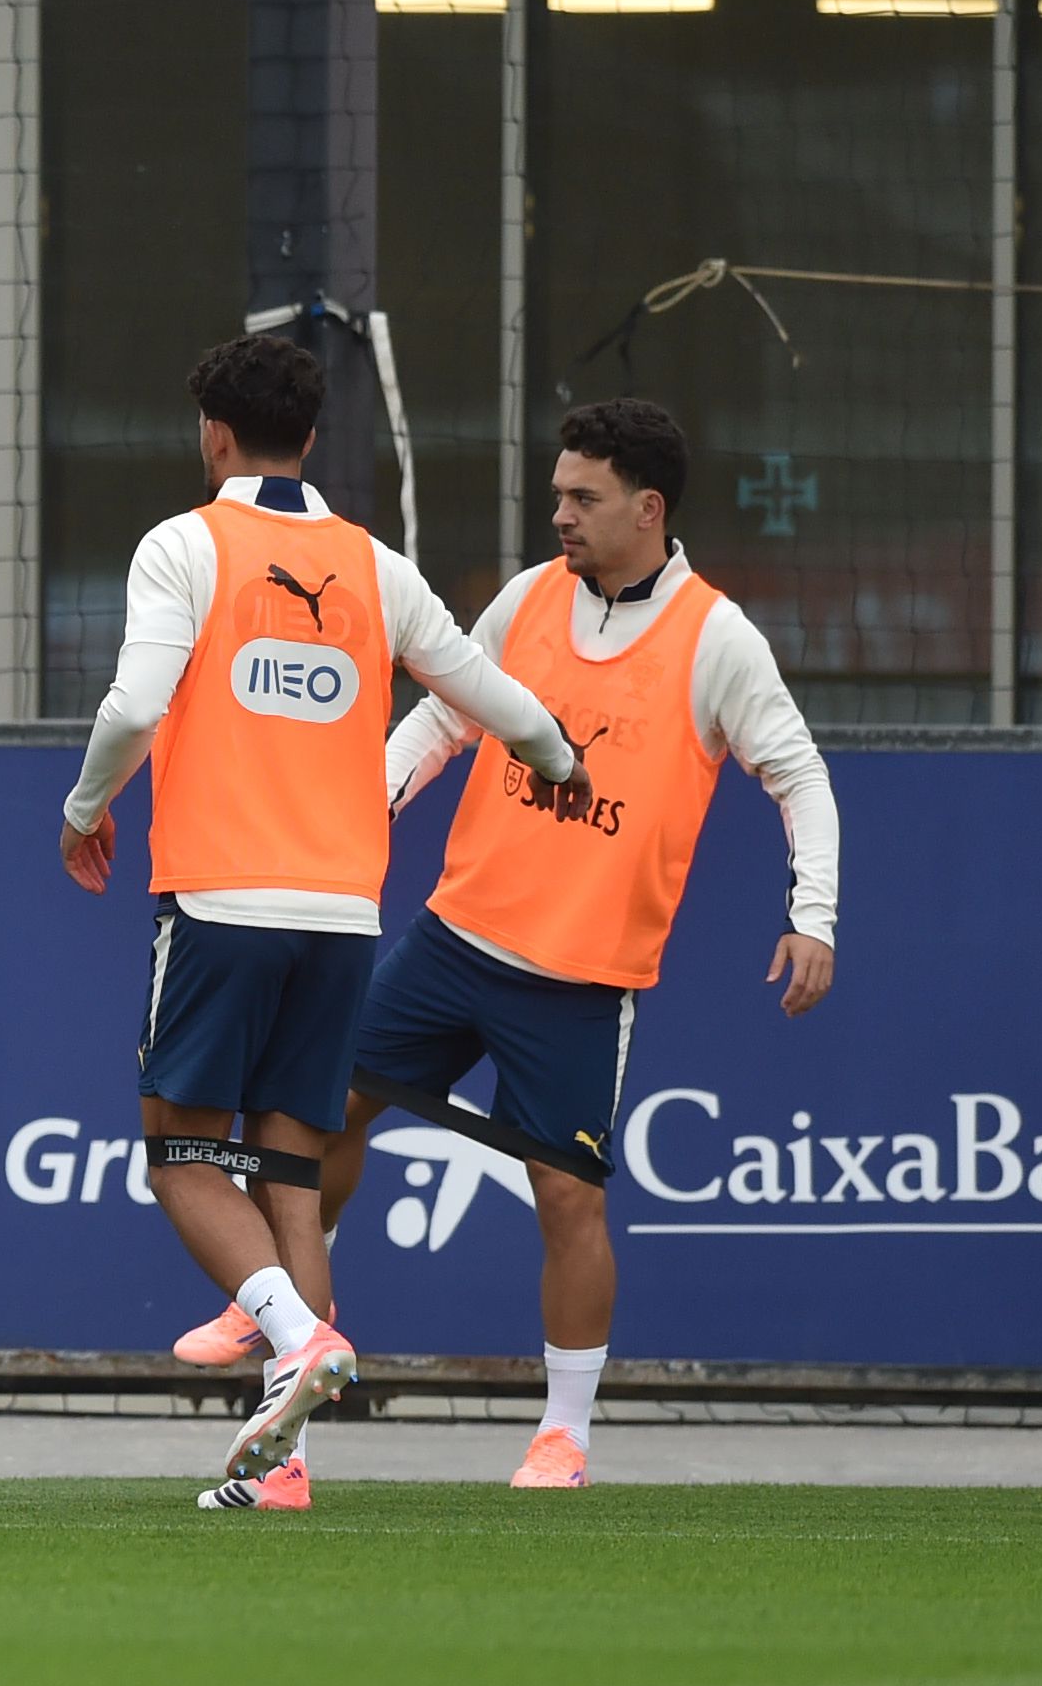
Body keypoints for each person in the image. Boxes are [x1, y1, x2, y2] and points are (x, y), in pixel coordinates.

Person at [166, 396, 840, 1486]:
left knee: (565, 1196)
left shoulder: (716, 638)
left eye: (582, 497)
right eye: (556, 493)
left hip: (578, 979)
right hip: (450, 943)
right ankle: (286, 1328)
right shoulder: (527, 598)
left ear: (646, 507)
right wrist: (373, 794)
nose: (559, 513)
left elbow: (797, 776)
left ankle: (561, 1432)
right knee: (312, 1116)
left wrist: (812, 916)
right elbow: (442, 714)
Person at [58, 332, 579, 1511]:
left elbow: (135, 700)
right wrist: (552, 753)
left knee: (181, 1155)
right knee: (288, 1168)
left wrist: (83, 806)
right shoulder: (372, 563)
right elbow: (483, 689)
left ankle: (294, 1339)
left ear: (212, 435)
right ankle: (284, 1465)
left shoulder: (185, 543)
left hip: (220, 896)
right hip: (342, 912)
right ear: (309, 436)